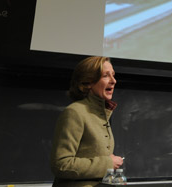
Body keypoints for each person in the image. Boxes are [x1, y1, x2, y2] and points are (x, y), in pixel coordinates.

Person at [50, 56, 124, 187]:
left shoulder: (102, 114)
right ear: (87, 82)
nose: (114, 81)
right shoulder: (75, 112)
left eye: (113, 75)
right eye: (106, 76)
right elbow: (61, 164)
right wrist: (107, 163)